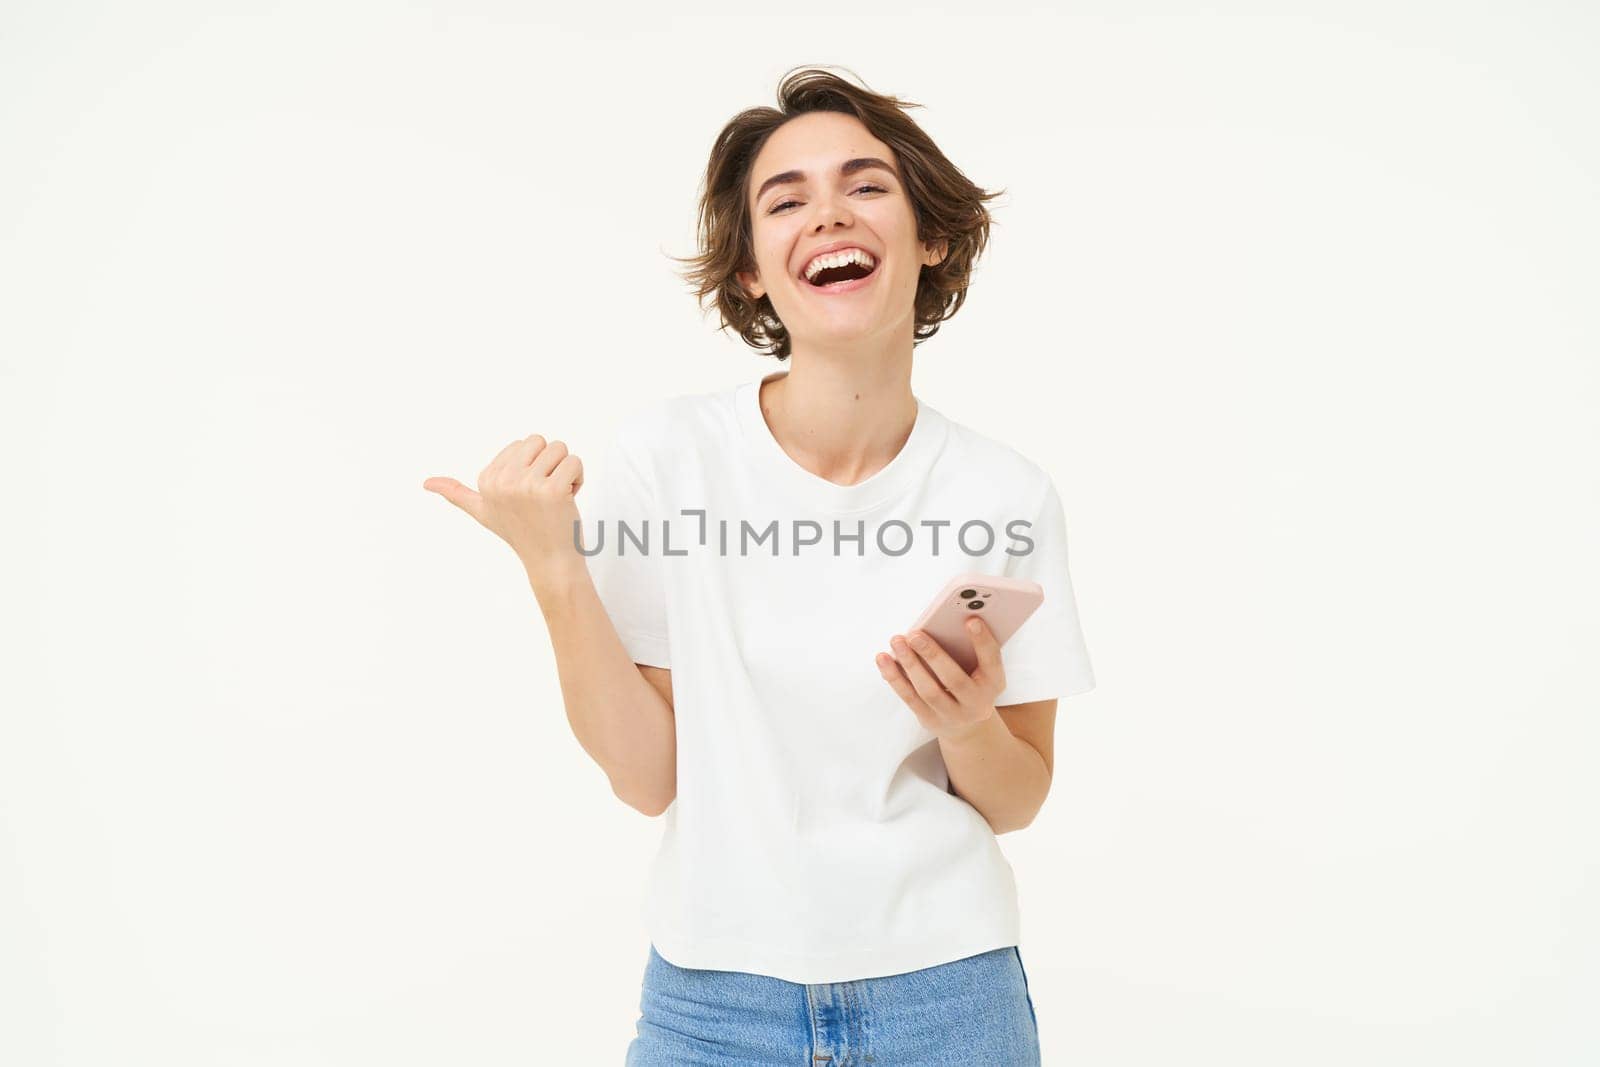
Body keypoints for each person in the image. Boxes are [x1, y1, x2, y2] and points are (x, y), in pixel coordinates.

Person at [424, 66, 1096, 1066]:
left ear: (932, 237)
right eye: (787, 199)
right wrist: (555, 569)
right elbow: (647, 776)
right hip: (714, 1000)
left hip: (948, 996)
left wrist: (963, 722)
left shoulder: (1003, 493)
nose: (827, 213)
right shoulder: (669, 458)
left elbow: (1016, 799)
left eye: (864, 185)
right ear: (751, 271)